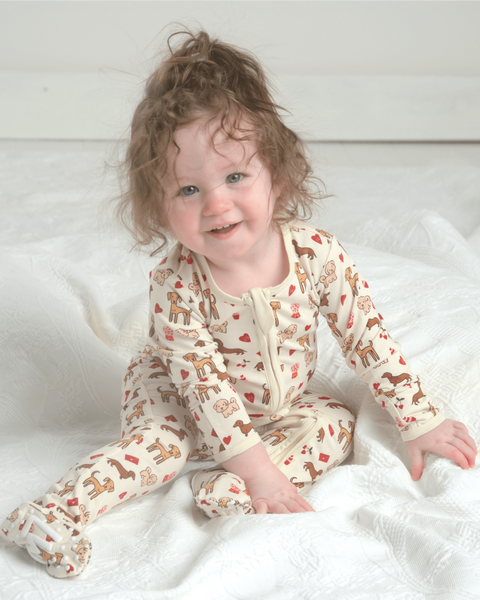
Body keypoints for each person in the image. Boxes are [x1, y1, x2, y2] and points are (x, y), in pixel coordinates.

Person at [2, 27, 477, 579]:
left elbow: (365, 336)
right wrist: (259, 472)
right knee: (162, 447)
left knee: (335, 424)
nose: (216, 203)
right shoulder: (177, 285)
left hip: (272, 406)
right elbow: (205, 391)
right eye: (188, 190)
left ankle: (225, 485)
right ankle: (55, 512)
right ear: (159, 204)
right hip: (176, 393)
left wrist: (417, 419)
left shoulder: (315, 254)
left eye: (235, 176)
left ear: (276, 174)